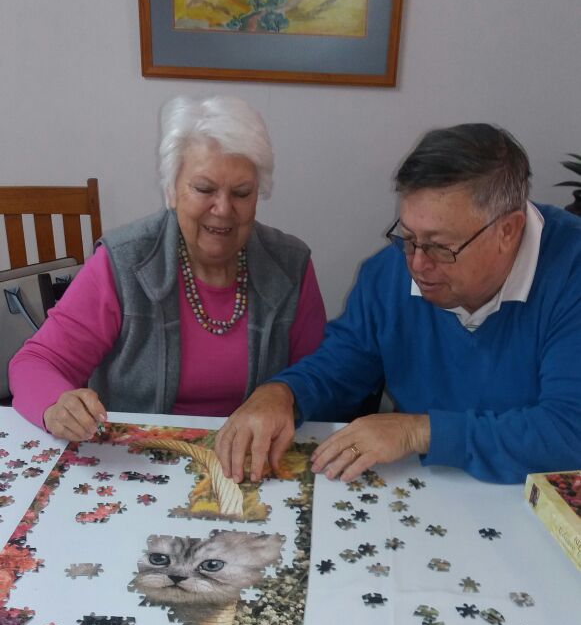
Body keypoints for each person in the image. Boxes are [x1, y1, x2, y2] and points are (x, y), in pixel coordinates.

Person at [214, 123, 581, 486]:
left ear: (508, 231)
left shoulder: (571, 273)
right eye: (408, 237)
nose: (417, 264)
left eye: (440, 246)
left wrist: (417, 433)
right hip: (426, 487)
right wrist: (284, 393)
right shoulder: (388, 273)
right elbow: (343, 365)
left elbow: (569, 432)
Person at [9, 96, 326, 441]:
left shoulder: (290, 265)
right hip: (140, 457)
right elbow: (35, 362)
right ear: (171, 190)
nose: (223, 209)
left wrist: (287, 394)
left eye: (241, 193)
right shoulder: (123, 262)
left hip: (254, 458)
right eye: (204, 188)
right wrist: (57, 406)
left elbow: (323, 377)